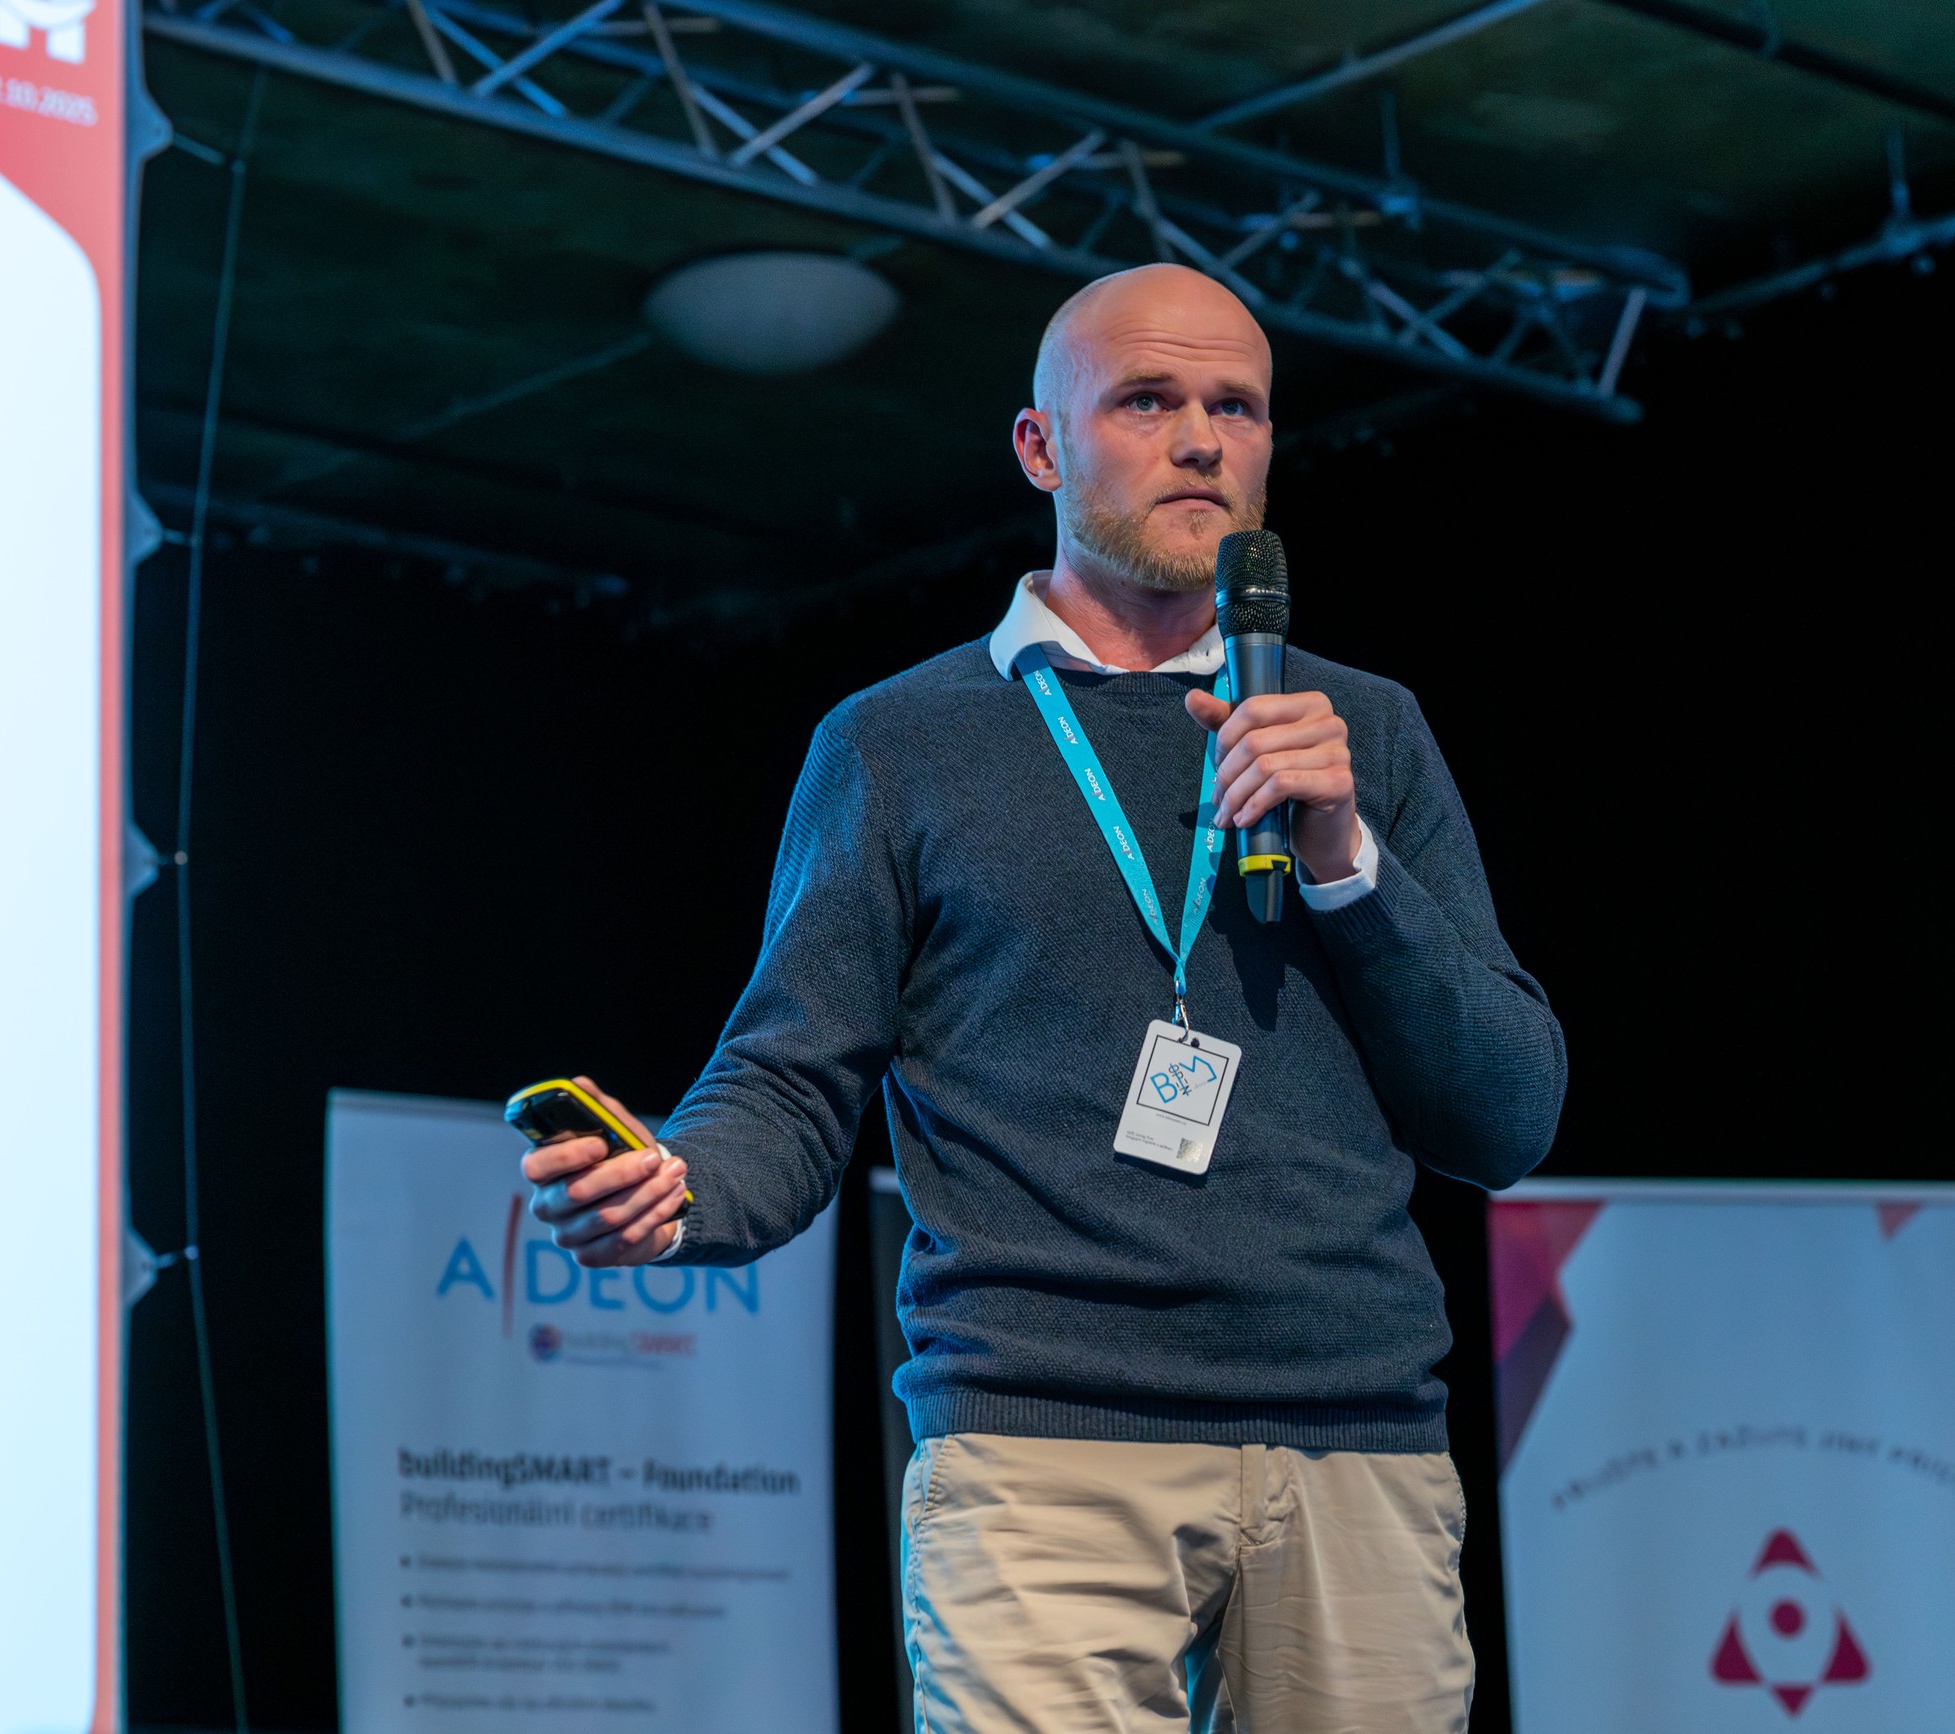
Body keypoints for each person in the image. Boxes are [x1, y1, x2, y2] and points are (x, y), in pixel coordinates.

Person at [520, 263, 1566, 1733]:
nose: (1199, 439)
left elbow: (1508, 1113)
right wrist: (682, 1183)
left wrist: (1346, 859)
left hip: (1355, 1439)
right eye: (1147, 401)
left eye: (1237, 408)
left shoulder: (1360, 735)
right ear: (1040, 447)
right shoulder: (899, 743)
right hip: (1042, 1439)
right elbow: (792, 1076)